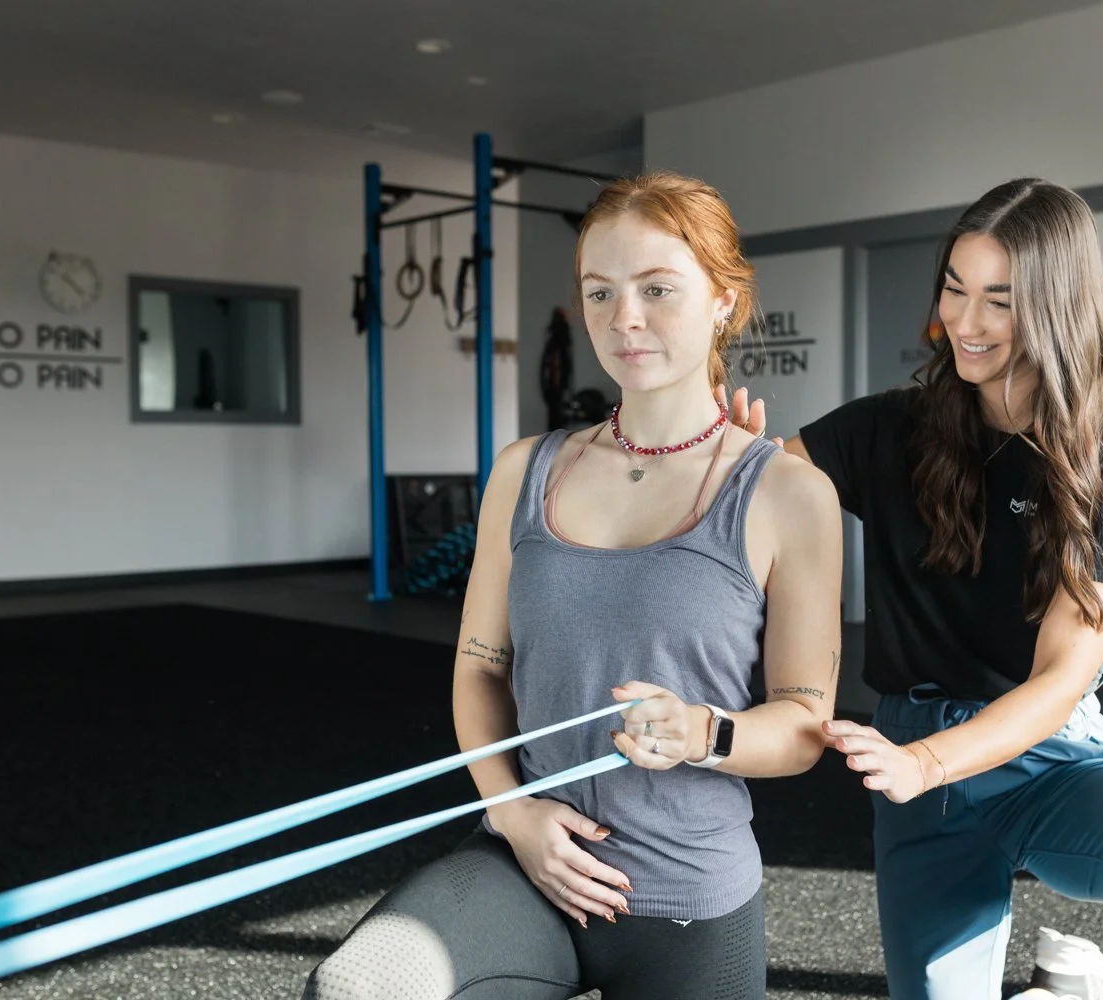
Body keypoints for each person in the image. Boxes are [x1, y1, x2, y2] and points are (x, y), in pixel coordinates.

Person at [303, 171, 844, 1000]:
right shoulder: (527, 470)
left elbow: (804, 726)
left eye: (658, 289)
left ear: (724, 301)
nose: (624, 318)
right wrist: (512, 813)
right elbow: (481, 667)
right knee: (358, 988)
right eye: (601, 292)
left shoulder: (788, 495)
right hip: (530, 866)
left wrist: (709, 733)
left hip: (687, 895)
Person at [729, 178, 1103, 1000]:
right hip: (910, 751)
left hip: (1045, 756)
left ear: (1054, 309)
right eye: (954, 288)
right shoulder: (885, 429)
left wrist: (928, 763)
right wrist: (741, 466)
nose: (964, 325)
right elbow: (751, 496)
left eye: (999, 302)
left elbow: (1058, 681)